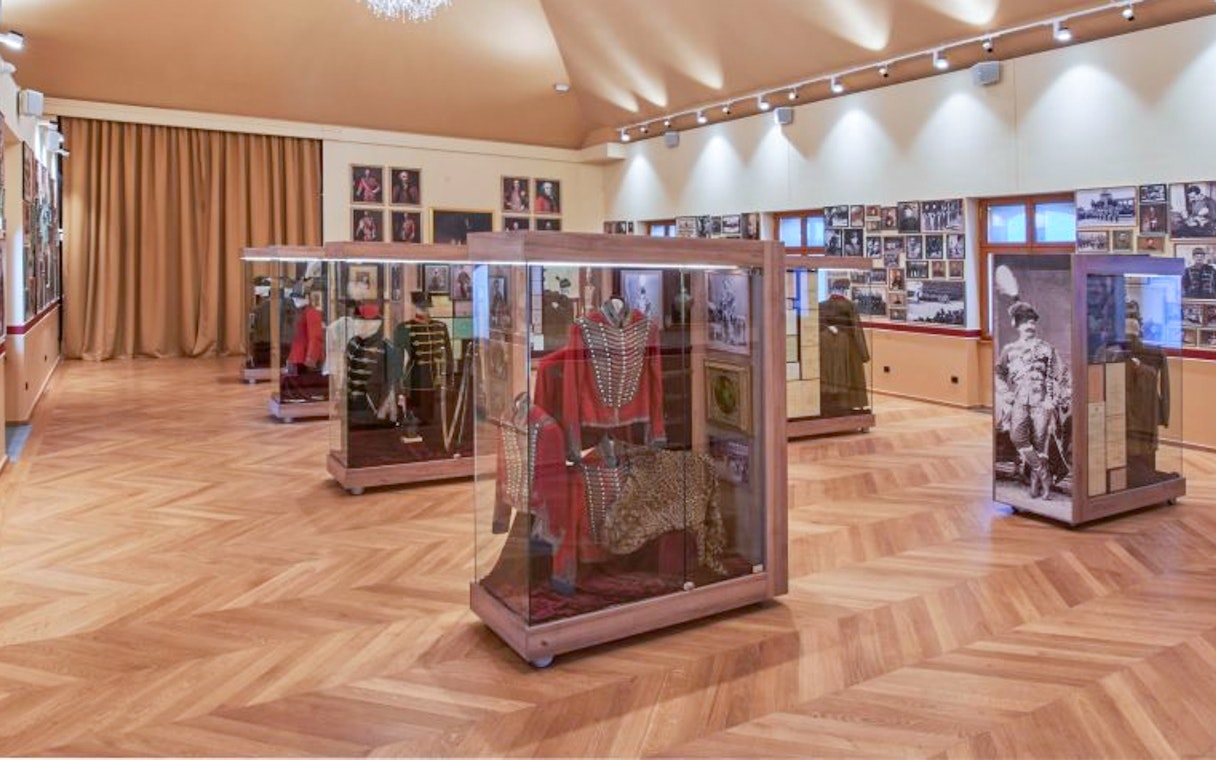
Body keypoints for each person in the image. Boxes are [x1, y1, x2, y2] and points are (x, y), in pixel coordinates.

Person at [994, 301, 1071, 500]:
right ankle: (1044, 474)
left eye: (1032, 322)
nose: (1030, 326)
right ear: (1017, 326)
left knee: (1040, 444)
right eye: (1025, 323)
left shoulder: (1047, 349)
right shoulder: (1009, 350)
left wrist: (1053, 400)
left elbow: (1062, 375)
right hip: (1019, 401)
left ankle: (1036, 485)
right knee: (1017, 437)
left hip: (1041, 402)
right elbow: (998, 374)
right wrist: (1005, 394)